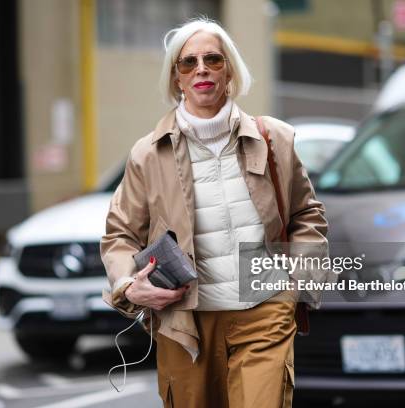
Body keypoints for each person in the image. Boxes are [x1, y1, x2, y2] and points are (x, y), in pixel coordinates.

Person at [100, 18, 328, 408]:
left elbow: (306, 215)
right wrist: (127, 286)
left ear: (229, 71)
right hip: (185, 324)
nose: (201, 69)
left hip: (264, 313)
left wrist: (297, 283)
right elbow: (120, 236)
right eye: (188, 63)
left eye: (212, 59)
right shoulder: (147, 154)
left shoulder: (274, 139)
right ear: (176, 78)